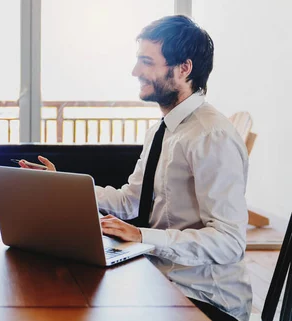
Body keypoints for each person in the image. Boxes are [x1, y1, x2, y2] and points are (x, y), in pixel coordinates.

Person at [19, 16, 252, 321]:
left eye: (146, 61)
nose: (135, 72)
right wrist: (59, 184)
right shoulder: (163, 130)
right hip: (160, 277)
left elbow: (229, 241)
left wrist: (142, 237)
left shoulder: (211, 135)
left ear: (184, 68)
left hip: (204, 300)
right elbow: (131, 200)